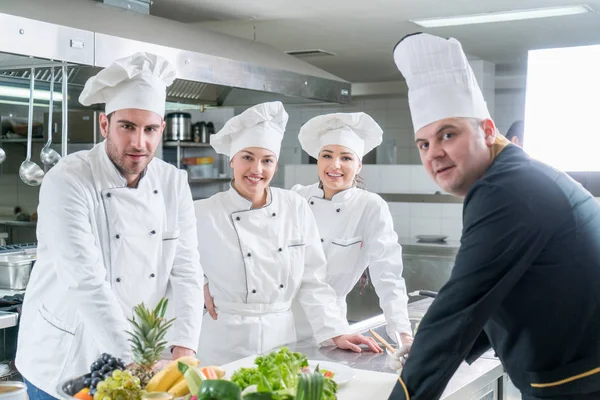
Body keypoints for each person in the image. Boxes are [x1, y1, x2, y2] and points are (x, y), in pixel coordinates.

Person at [387, 32, 600, 400]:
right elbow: (496, 288)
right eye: (424, 143)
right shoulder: (513, 176)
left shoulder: (507, 191)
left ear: (487, 131)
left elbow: (459, 306)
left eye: (447, 134)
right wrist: (428, 347)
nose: (433, 153)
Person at [16, 53, 203, 399]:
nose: (138, 143)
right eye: (127, 127)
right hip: (66, 353)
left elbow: (187, 269)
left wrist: (184, 347)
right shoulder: (68, 180)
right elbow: (85, 279)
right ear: (105, 125)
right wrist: (135, 363)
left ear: (161, 129)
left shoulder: (174, 183)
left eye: (149, 130)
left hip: (140, 359)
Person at [196, 101, 382, 366]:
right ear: (232, 160)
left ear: (276, 164)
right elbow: (173, 266)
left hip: (280, 341)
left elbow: (312, 278)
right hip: (222, 345)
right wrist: (200, 280)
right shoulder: (202, 211)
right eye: (247, 157)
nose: (257, 170)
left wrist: (336, 331)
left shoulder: (294, 205)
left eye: (267, 160)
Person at [291, 112, 412, 346]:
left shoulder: (370, 206)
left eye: (346, 158)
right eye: (327, 156)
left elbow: (388, 273)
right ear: (318, 160)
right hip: (284, 321)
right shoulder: (297, 197)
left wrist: (402, 333)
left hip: (332, 329)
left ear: (358, 165)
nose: (335, 165)